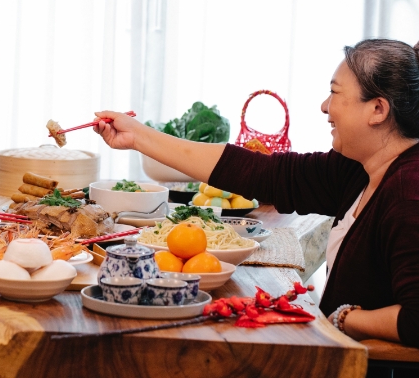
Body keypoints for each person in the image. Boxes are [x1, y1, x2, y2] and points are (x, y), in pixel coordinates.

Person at [94, 38, 419, 348]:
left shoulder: (408, 194)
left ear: (378, 109)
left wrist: (348, 319)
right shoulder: (357, 169)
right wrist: (137, 136)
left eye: (334, 92)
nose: (324, 106)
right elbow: (261, 173)